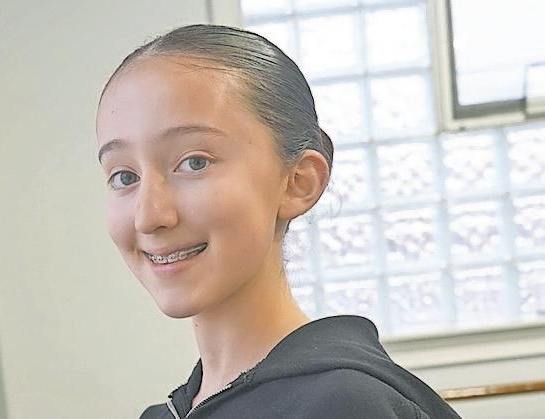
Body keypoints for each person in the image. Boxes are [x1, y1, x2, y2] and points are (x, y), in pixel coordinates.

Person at [95, 24, 461, 419]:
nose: (149, 216)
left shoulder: (344, 405)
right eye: (125, 176)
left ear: (298, 182)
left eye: (195, 162)